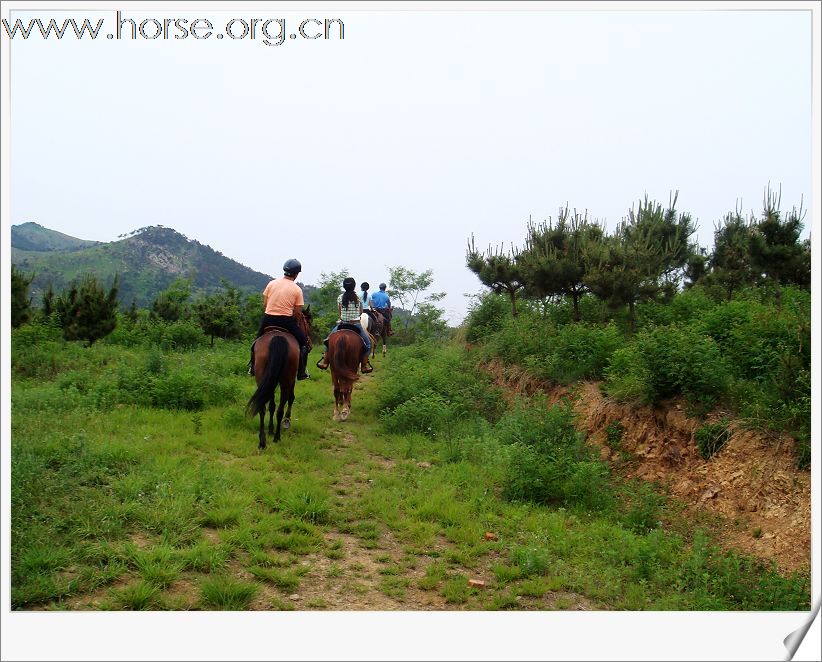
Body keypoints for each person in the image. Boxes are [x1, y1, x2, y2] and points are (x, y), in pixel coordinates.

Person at [249, 258, 310, 380]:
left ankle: (252, 366)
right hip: (286, 321)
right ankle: (302, 372)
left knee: (256, 341)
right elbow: (298, 312)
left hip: (268, 318)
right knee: (304, 343)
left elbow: (265, 304)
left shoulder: (271, 284)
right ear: (296, 274)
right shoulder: (297, 289)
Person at [315, 277, 373, 374]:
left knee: (327, 341)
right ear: (354, 286)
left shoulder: (340, 297)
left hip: (342, 324)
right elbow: (360, 312)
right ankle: (364, 365)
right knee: (368, 344)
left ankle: (325, 361)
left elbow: (340, 312)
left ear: (344, 286)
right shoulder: (358, 297)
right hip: (356, 325)